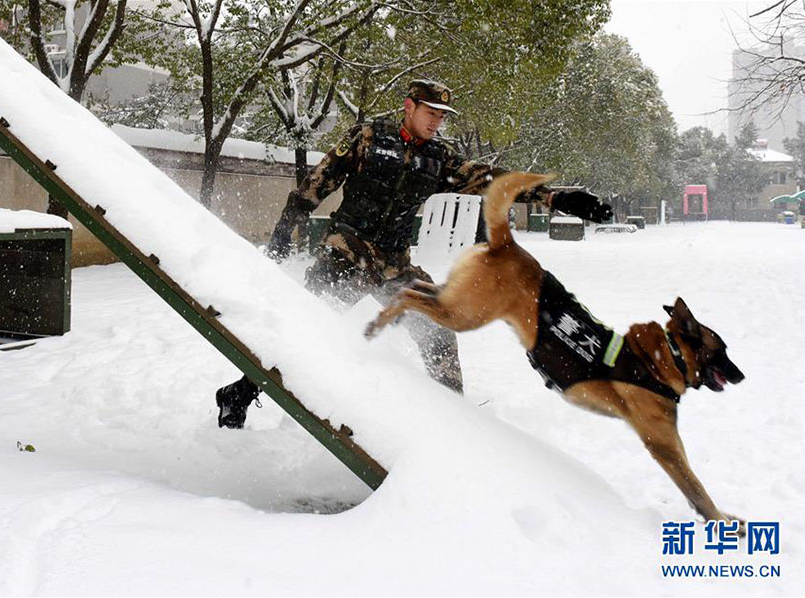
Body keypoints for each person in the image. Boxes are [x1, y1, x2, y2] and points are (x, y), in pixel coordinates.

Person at [215, 79, 612, 428]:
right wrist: (287, 226)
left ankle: (451, 419)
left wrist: (556, 197)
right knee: (304, 330)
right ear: (409, 106)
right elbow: (319, 181)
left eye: (442, 115)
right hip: (346, 252)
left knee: (438, 328)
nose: (437, 121)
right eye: (431, 112)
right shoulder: (368, 137)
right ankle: (239, 394)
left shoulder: (438, 159)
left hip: (393, 265)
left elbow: (491, 181)